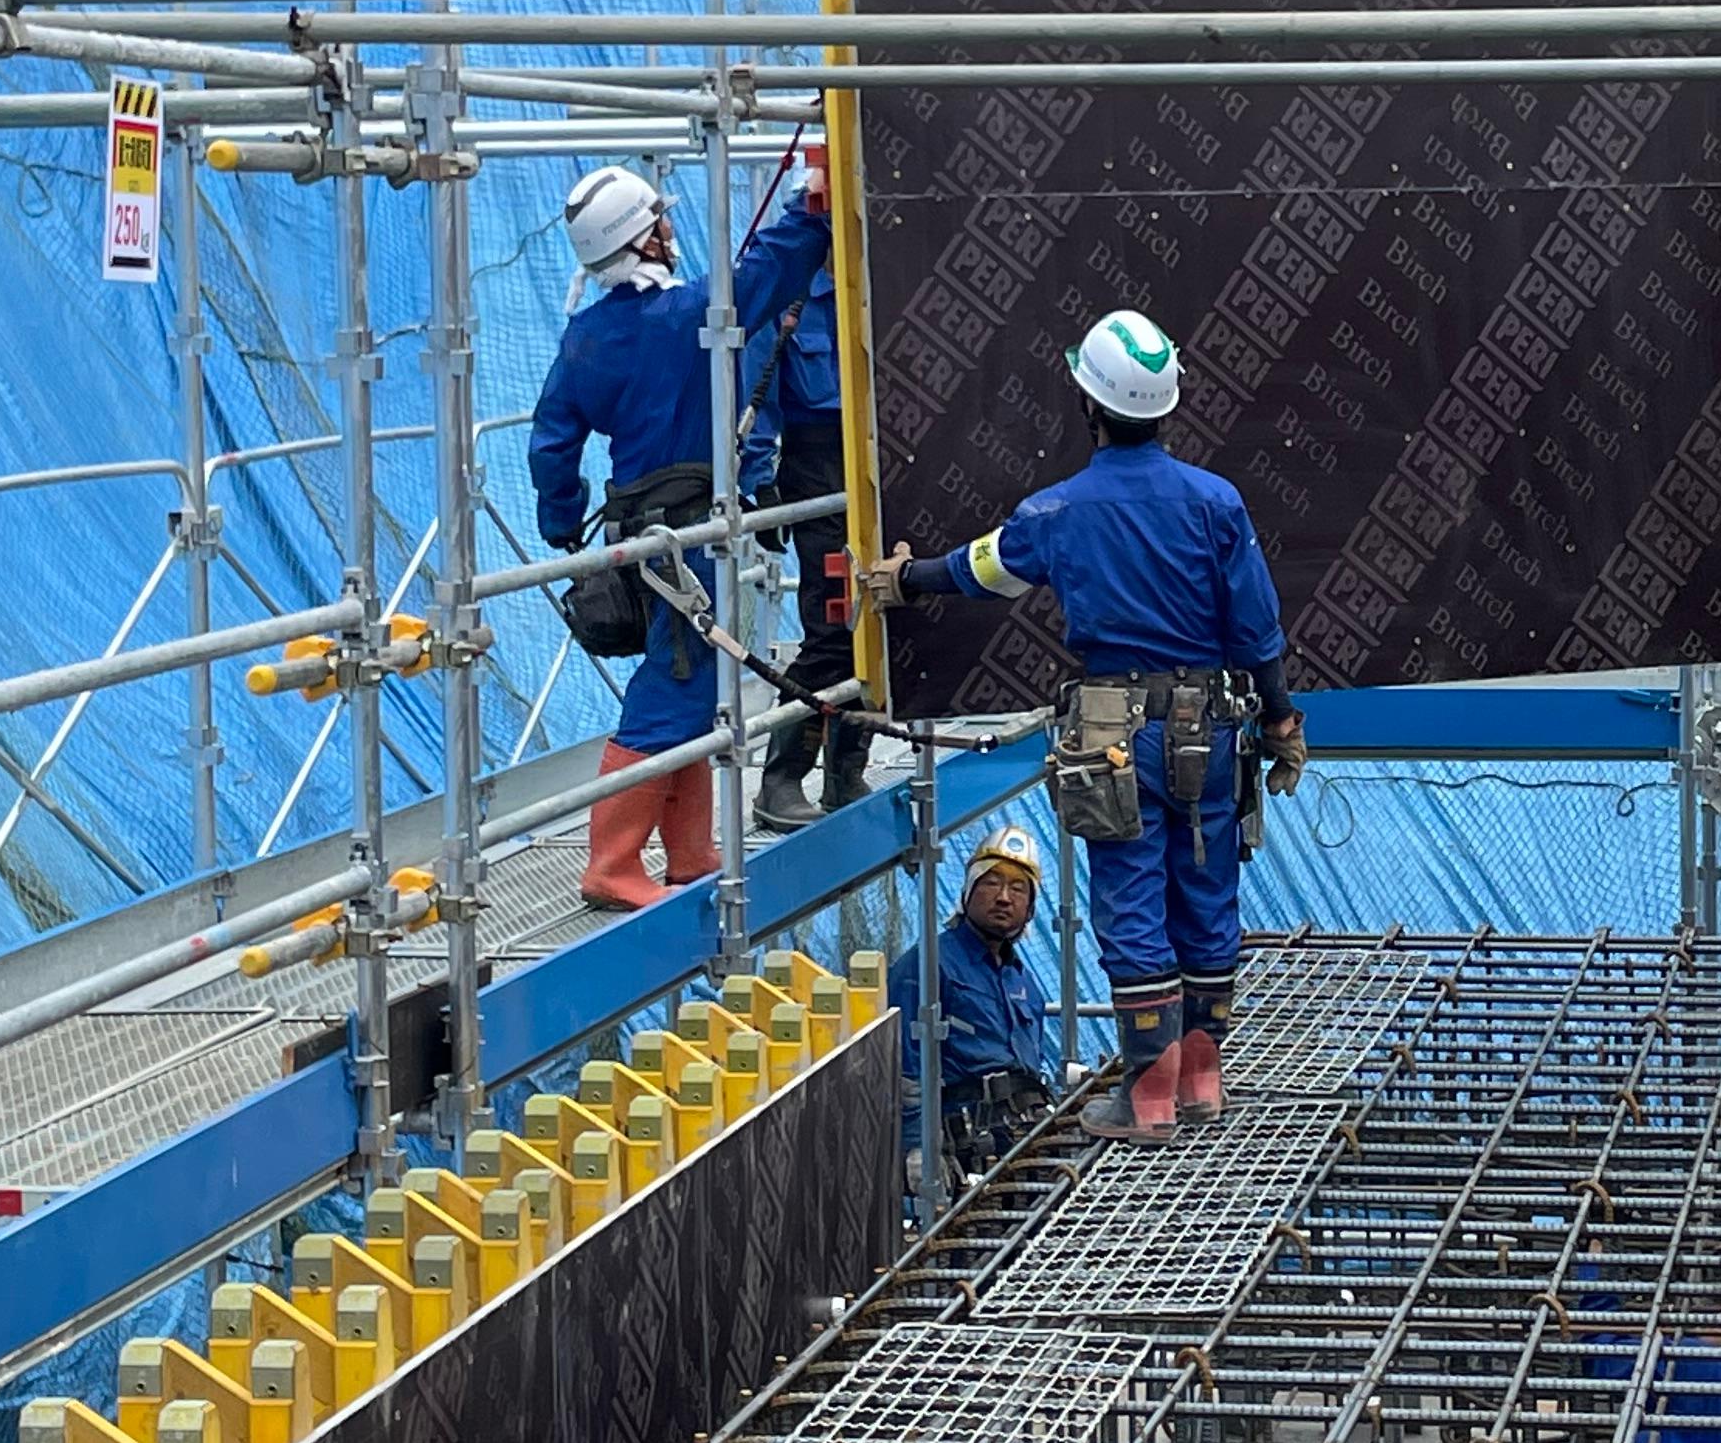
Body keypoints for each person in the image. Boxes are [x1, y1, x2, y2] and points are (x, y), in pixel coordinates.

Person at [859, 306, 1306, 1142]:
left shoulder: (1056, 512)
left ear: (1088, 404)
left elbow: (980, 569)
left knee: (1132, 897)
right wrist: (1280, 719)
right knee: (1207, 887)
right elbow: (1257, 630)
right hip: (1212, 727)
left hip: (1113, 733)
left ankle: (1148, 1097)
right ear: (1167, 404)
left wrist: (906, 579)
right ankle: (1203, 1082)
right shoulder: (1217, 503)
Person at [529, 158, 832, 912]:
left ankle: (690, 851)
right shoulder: (692, 315)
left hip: (639, 527)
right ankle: (612, 862)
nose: (670, 228)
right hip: (688, 536)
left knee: (692, 683)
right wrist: (811, 205)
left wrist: (561, 518)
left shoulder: (585, 337)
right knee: (676, 683)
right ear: (644, 239)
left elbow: (552, 440)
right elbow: (768, 271)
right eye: (660, 220)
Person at [745, 276, 870, 832]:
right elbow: (756, 395)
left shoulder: (874, 276)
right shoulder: (787, 291)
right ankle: (782, 778)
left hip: (877, 455)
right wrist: (760, 484)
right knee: (832, 628)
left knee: (876, 621)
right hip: (817, 466)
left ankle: (846, 770)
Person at [885, 825, 1056, 1179]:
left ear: (1030, 909)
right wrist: (918, 1147)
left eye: (1018, 888)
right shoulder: (927, 965)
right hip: (967, 1147)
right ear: (968, 891)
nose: (1004, 897)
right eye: (991, 882)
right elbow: (906, 1069)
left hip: (1025, 1139)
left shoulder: (1023, 982)